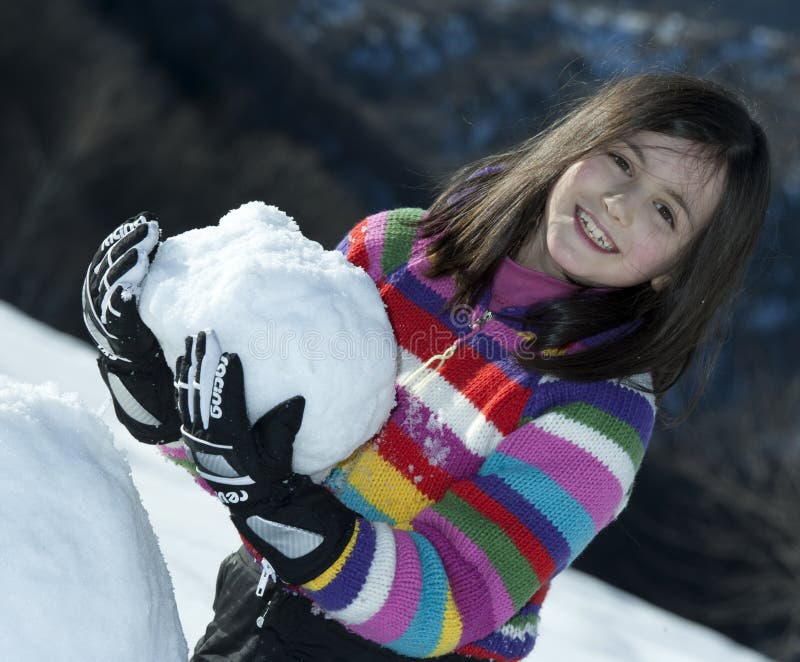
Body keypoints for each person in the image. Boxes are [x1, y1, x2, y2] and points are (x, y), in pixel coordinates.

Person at [82, 73, 771, 661]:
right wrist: (153, 388)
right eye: (622, 160)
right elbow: (254, 450)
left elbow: (444, 602)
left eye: (664, 211)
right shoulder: (395, 253)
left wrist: (270, 504)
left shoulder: (598, 414)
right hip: (254, 613)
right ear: (579, 141)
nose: (620, 203)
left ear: (676, 271)